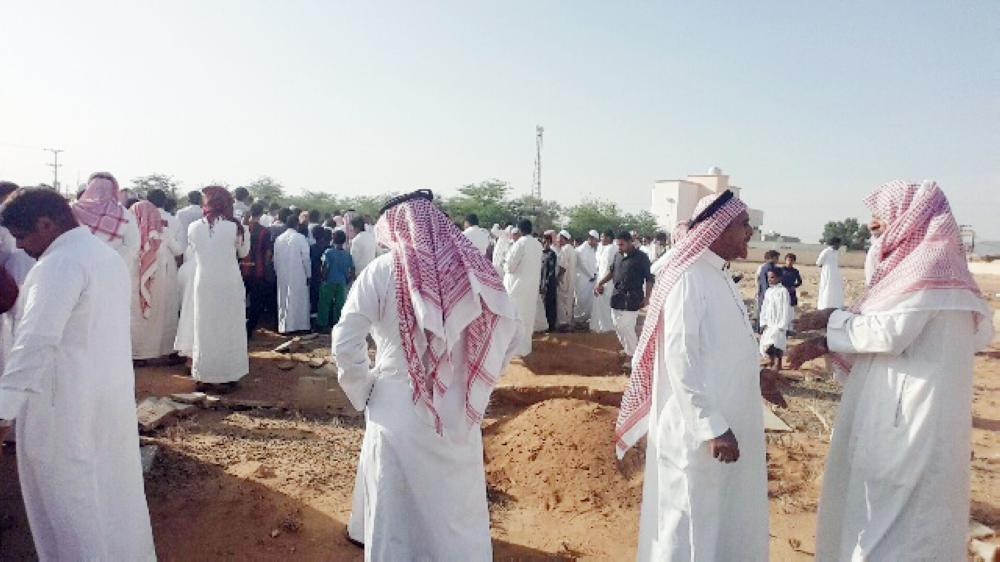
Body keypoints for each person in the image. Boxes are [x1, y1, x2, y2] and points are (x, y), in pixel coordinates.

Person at [789, 180, 993, 562]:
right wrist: (830, 334)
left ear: (908, 217)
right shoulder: (931, 269)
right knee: (902, 516)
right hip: (910, 411)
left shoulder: (930, 266)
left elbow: (889, 332)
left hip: (908, 418)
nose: (873, 226)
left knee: (893, 523)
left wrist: (831, 325)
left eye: (881, 217)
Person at [332, 190, 518, 561]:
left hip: (395, 406)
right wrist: (471, 382)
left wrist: (364, 390)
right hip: (457, 410)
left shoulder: (382, 270)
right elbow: (507, 334)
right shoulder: (474, 271)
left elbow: (346, 343)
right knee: (453, 513)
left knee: (395, 518)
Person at [615, 190, 785, 562]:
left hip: (723, 423)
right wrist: (711, 426)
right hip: (697, 433)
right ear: (719, 228)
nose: (750, 232)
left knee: (717, 522)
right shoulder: (690, 277)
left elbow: (718, 347)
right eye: (743, 224)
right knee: (688, 525)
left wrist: (755, 377)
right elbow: (681, 357)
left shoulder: (716, 274)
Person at [0, 188, 156, 560]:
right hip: (106, 396)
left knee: (70, 504)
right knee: (109, 496)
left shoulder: (58, 265)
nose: (19, 246)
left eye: (22, 236)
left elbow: (34, 343)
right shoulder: (104, 255)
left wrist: (3, 411)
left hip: (63, 406)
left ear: (45, 224)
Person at [187, 187, 250, 390]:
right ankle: (227, 375)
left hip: (204, 282)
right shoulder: (237, 227)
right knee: (229, 327)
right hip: (228, 282)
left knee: (204, 327)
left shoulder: (193, 227)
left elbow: (194, 250)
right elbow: (244, 252)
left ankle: (204, 374)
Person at [129, 199, 183, 361]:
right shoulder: (163, 229)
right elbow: (178, 250)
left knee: (140, 313)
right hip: (163, 277)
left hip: (138, 277)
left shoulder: (131, 232)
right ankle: (164, 350)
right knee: (163, 312)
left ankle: (139, 353)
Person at [595, 231, 653, 363]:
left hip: (633, 297)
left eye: (621, 244)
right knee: (617, 325)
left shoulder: (641, 257)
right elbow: (612, 271)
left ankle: (632, 355)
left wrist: (647, 297)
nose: (619, 247)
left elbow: (649, 278)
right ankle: (628, 349)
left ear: (630, 242)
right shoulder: (618, 255)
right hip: (617, 296)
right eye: (618, 244)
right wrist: (600, 282)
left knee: (626, 326)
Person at [72, 172, 140, 268]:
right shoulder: (125, 214)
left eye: (105, 189)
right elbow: (133, 245)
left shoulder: (73, 210)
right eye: (98, 188)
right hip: (107, 269)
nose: (101, 192)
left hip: (84, 268)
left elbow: (132, 246)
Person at [503, 219, 543, 356]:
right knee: (527, 318)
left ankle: (514, 350)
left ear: (519, 230)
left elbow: (510, 267)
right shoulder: (538, 244)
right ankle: (525, 348)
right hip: (531, 287)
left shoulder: (520, 243)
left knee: (515, 317)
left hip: (517, 288)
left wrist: (504, 263)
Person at [274, 213, 311, 334]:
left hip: (282, 273)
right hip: (298, 274)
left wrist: (277, 271)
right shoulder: (300, 238)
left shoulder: (279, 239)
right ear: (296, 225)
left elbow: (275, 259)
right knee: (298, 300)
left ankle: (284, 326)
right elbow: (306, 258)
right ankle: (299, 326)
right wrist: (308, 274)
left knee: (283, 298)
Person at [241, 203, 273, 339]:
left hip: (242, 269)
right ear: (261, 214)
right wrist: (267, 269)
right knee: (256, 302)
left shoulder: (242, 229)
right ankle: (249, 328)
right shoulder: (265, 232)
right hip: (258, 271)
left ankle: (238, 327)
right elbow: (268, 253)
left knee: (239, 301)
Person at [318, 229, 353, 330]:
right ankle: (337, 324)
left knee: (325, 303)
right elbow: (352, 269)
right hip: (341, 282)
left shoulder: (328, 252)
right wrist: (348, 279)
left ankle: (322, 325)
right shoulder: (347, 255)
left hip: (329, 281)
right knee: (339, 304)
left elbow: (325, 267)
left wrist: (323, 278)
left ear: (333, 240)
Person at [759, 269, 792, 371]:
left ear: (779, 278)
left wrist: (783, 324)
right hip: (769, 323)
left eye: (772, 277)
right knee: (767, 344)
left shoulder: (783, 291)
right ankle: (771, 361)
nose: (769, 279)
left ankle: (778, 363)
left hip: (779, 323)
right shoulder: (768, 291)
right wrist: (763, 322)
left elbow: (786, 308)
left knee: (777, 344)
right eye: (768, 277)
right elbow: (764, 307)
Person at [590, 230, 616, 333]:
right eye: (601, 237)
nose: (601, 239)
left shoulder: (612, 249)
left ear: (609, 238)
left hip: (608, 282)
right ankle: (602, 327)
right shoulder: (604, 248)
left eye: (603, 237)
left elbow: (610, 269)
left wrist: (601, 283)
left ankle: (608, 328)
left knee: (606, 305)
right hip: (601, 281)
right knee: (601, 305)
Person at [574, 230, 599, 325]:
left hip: (591, 279)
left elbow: (594, 263)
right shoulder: (581, 249)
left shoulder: (592, 249)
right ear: (590, 239)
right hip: (582, 279)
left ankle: (585, 319)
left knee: (589, 301)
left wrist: (595, 274)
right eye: (596, 240)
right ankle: (577, 320)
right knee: (581, 300)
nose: (596, 243)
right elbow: (583, 265)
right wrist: (591, 275)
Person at [555, 230, 577, 331]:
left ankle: (563, 323)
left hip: (564, 279)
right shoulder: (571, 249)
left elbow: (563, 267)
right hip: (570, 279)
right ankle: (568, 322)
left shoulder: (565, 249)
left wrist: (558, 278)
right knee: (568, 301)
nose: (558, 240)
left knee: (562, 302)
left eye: (559, 238)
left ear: (564, 239)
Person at [537, 233, 558, 332]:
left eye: (546, 242)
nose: (544, 243)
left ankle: (551, 326)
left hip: (549, 284)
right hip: (541, 282)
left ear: (549, 242)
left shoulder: (551, 254)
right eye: (543, 241)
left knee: (549, 304)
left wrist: (546, 283)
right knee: (543, 304)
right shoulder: (540, 253)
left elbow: (551, 271)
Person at [816, 237, 845, 309]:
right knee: (827, 288)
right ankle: (825, 306)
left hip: (835, 273)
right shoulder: (826, 251)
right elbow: (818, 263)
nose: (839, 246)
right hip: (827, 273)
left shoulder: (836, 252)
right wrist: (825, 267)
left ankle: (835, 306)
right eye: (838, 244)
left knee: (835, 289)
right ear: (834, 243)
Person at [755, 250, 781, 327]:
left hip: (764, 293)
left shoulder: (765, 267)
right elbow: (765, 282)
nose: (778, 260)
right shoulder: (769, 268)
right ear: (772, 258)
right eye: (777, 258)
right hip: (767, 293)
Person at [309, 225, 331, 314]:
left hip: (315, 277)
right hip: (327, 278)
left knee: (314, 299)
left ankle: (314, 317)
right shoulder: (329, 248)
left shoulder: (311, 248)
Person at [779, 252, 803, 324]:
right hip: (781, 291)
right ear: (785, 260)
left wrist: (794, 286)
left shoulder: (795, 271)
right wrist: (782, 287)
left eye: (791, 260)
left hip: (791, 292)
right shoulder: (781, 270)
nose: (789, 262)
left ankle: (789, 323)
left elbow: (800, 281)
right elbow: (777, 280)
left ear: (794, 261)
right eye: (788, 260)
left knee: (791, 308)